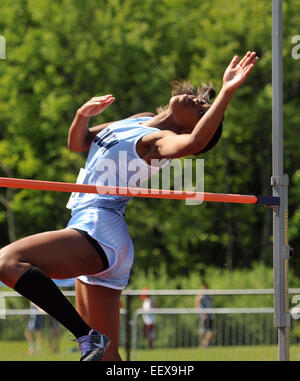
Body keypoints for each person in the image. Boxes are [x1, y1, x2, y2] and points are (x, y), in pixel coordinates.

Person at [0, 52, 258, 361]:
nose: (197, 103)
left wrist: (227, 92)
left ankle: (85, 335)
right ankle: (92, 340)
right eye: (202, 101)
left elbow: (193, 146)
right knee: (108, 360)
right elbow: (79, 143)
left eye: (202, 110)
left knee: (7, 261)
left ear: (191, 128)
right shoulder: (139, 119)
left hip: (99, 229)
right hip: (98, 233)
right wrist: (82, 115)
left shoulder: (159, 142)